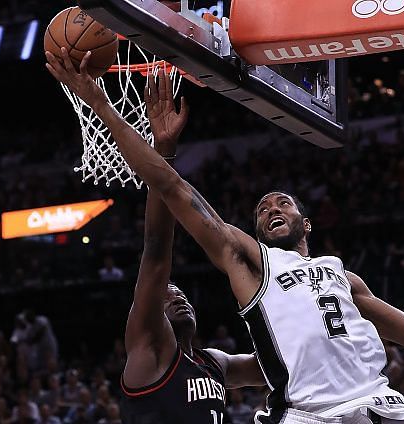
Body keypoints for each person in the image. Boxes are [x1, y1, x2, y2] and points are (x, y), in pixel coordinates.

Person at [46, 49, 404, 424]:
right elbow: (172, 188)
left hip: (380, 405)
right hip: (311, 416)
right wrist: (99, 102)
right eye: (261, 207)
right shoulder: (252, 263)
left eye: (282, 202)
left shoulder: (343, 276)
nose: (270, 207)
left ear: (306, 223)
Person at [46, 56, 264, 424]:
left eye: (178, 292)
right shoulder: (150, 346)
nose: (176, 295)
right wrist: (163, 153)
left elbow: (275, 365)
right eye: (166, 294)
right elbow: (157, 249)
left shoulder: (213, 363)